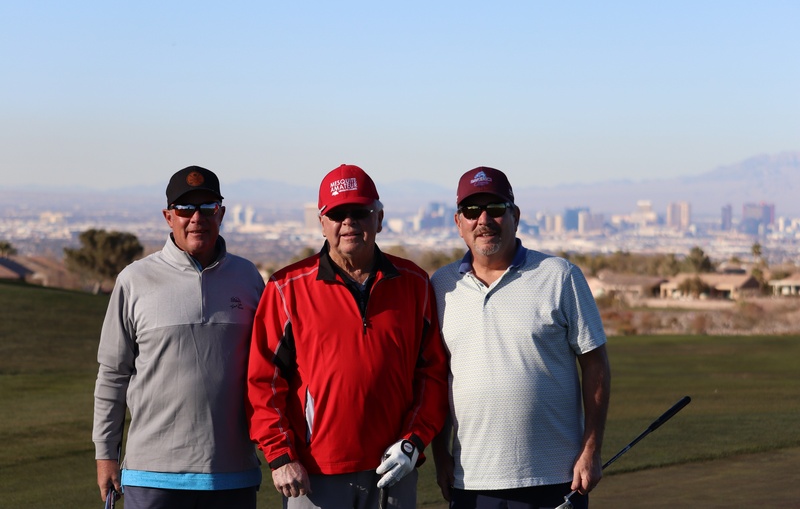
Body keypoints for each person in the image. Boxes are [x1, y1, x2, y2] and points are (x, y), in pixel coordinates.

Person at [247, 163, 448, 509]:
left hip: (394, 468)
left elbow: (433, 375)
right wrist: (280, 456)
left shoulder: (415, 284)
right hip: (314, 474)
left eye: (360, 212)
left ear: (379, 218)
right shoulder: (286, 288)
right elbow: (263, 382)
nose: (349, 223)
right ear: (322, 222)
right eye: (338, 214)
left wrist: (414, 442)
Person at [430, 167, 611, 509]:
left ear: (515, 215)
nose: (483, 220)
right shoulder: (441, 286)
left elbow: (595, 364)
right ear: (458, 222)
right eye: (472, 211)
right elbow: (435, 380)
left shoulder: (560, 276)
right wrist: (440, 455)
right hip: (472, 480)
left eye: (496, 209)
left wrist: (591, 450)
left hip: (554, 477)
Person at [92, 165, 265, 509]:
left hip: (233, 475)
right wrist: (105, 455)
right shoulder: (135, 280)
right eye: (185, 208)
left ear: (221, 214)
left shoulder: (248, 277)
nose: (197, 218)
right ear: (168, 216)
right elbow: (112, 375)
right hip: (151, 476)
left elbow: (271, 371)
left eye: (208, 208)